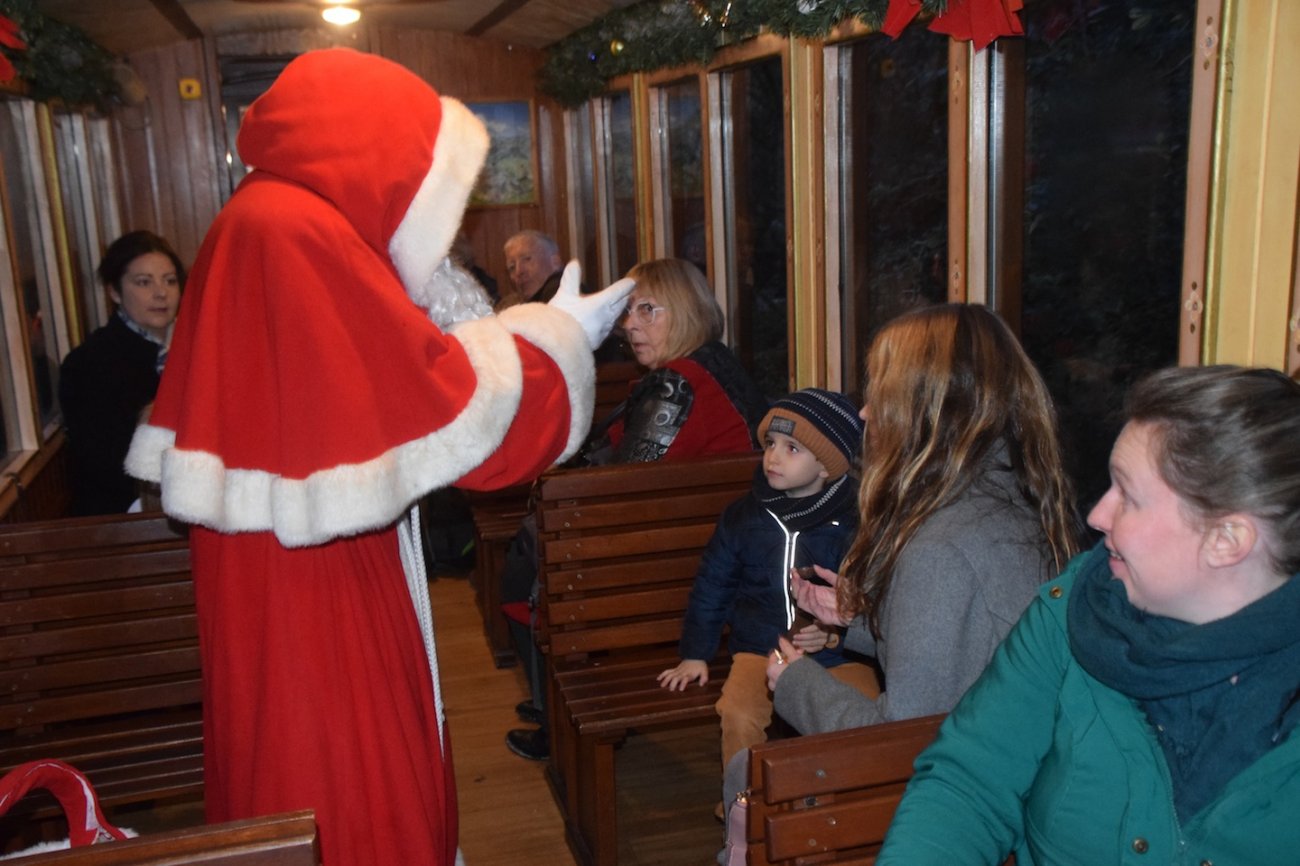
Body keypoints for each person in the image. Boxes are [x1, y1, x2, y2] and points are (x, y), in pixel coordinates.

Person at [123, 48, 634, 866]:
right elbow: (463, 424)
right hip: (319, 588)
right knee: (348, 779)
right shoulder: (300, 234)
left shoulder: (259, 218)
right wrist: (557, 341)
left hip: (273, 570)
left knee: (285, 767)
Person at [876, 365, 1300, 865]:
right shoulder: (1074, 608)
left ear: (1227, 541)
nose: (1097, 515)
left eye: (1129, 497)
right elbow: (967, 784)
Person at [765, 303, 1081, 734]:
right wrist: (859, 618)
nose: (865, 412)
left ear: (927, 409)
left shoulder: (940, 551)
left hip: (981, 774)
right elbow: (966, 651)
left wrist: (795, 681)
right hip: (1022, 749)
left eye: (881, 394)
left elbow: (905, 740)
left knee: (746, 767)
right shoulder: (1012, 494)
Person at [506, 257, 769, 761]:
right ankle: (548, 702)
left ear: (686, 311)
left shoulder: (675, 384)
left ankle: (554, 723)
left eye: (648, 310)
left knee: (533, 562)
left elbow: (622, 491)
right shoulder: (715, 362)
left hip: (678, 571)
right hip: (718, 550)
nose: (630, 325)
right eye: (629, 312)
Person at [658, 388, 878, 805]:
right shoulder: (744, 517)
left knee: (859, 714)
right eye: (771, 443)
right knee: (738, 713)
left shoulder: (855, 523)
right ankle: (742, 811)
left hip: (838, 656)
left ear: (825, 465)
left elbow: (872, 597)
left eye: (792, 448)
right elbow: (713, 585)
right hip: (760, 650)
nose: (774, 457)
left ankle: (825, 817)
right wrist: (695, 653)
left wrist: (834, 634)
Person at [59, 230, 184, 515]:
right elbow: (102, 462)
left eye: (170, 280)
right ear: (114, 292)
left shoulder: (197, 346)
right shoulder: (88, 363)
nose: (160, 293)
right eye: (143, 282)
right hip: (125, 513)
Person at [499, 229, 563, 307]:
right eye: (512, 267)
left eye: (527, 259)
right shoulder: (513, 303)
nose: (518, 272)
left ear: (555, 262)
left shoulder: (560, 293)